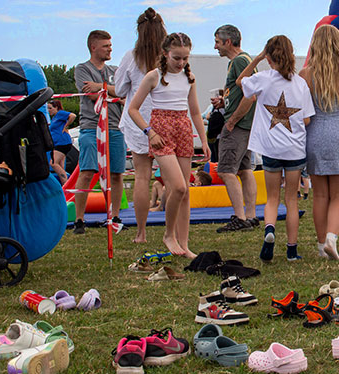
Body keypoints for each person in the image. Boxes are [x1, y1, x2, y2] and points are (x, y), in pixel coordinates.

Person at [127, 32, 211, 258]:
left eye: (185, 58)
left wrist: (203, 140)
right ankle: (168, 234)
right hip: (161, 131)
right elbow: (133, 109)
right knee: (179, 187)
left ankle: (184, 244)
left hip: (183, 128)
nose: (181, 62)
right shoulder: (153, 76)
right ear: (165, 54)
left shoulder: (189, 77)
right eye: (176, 58)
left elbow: (194, 111)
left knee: (185, 191)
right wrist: (149, 131)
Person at [237, 35, 315, 262]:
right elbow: (308, 120)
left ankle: (269, 230)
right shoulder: (301, 84)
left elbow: (240, 82)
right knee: (291, 199)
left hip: (271, 149)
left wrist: (257, 58)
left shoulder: (263, 79)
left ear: (269, 58)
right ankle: (291, 251)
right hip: (294, 150)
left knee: (272, 198)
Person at [299, 25, 339, 261]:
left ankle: (320, 246)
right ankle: (331, 238)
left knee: (320, 195)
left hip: (314, 132)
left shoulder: (305, 75)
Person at [115, 7, 168, 244]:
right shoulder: (169, 56)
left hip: (138, 121)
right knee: (173, 178)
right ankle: (173, 231)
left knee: (141, 177)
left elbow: (118, 89)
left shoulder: (130, 56)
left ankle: (141, 233)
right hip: (164, 118)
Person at [72, 30, 125, 234]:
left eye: (110, 45)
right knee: (87, 172)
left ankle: (115, 217)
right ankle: (79, 220)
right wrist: (110, 91)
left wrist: (103, 88)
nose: (110, 49)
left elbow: (124, 93)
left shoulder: (115, 69)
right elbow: (94, 96)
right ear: (93, 47)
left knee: (116, 174)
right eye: (105, 46)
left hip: (114, 127)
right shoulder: (82, 69)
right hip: (90, 127)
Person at [213, 25, 258, 232]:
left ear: (228, 42)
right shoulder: (242, 61)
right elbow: (243, 92)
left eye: (217, 42)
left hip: (239, 125)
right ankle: (250, 216)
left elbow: (251, 95)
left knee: (226, 171)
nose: (215, 47)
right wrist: (225, 102)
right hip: (247, 124)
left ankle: (240, 217)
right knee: (245, 169)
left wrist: (232, 121)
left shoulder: (240, 61)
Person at [46, 100, 76, 184]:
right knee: (60, 165)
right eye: (47, 108)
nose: (49, 110)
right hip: (59, 143)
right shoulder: (55, 117)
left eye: (50, 108)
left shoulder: (60, 113)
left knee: (53, 163)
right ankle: (64, 184)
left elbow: (72, 116)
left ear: (56, 107)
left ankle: (66, 182)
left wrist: (66, 125)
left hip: (62, 143)